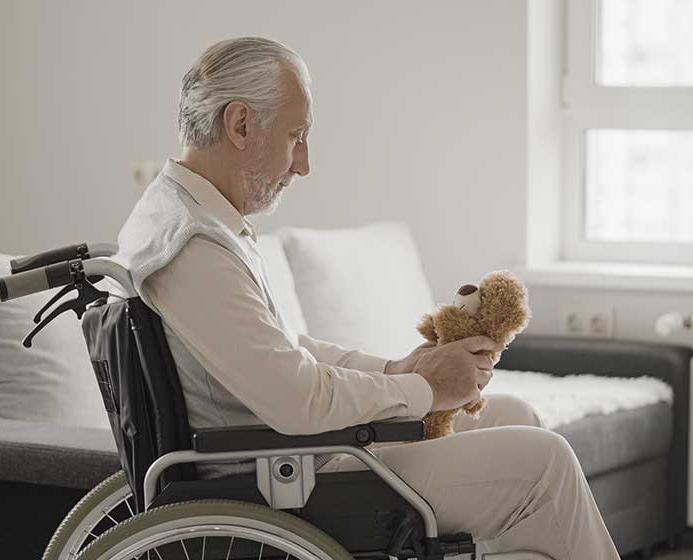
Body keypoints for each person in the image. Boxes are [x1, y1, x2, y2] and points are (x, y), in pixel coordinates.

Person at [115, 36, 620, 559]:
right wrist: (424, 388)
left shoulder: (186, 218)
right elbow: (298, 399)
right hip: (283, 480)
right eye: (297, 136)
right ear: (240, 124)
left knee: (514, 414)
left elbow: (282, 349)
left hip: (296, 455)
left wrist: (396, 370)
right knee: (544, 462)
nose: (303, 163)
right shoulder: (193, 247)